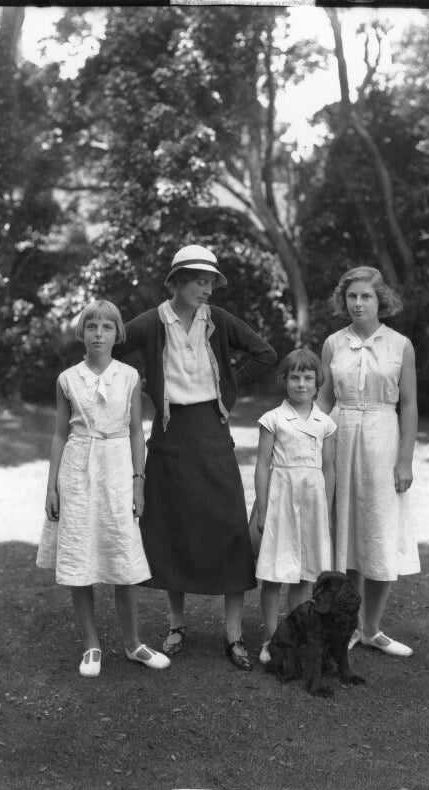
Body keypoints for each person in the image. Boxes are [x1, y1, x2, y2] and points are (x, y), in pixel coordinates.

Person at [113, 244, 276, 670]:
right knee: (172, 527)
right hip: (169, 433)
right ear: (179, 281)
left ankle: (234, 633)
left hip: (212, 430)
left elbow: (264, 353)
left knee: (228, 529)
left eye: (210, 282)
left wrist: (229, 387)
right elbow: (110, 350)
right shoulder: (151, 322)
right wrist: (148, 386)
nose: (207, 289)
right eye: (200, 281)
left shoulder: (217, 320)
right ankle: (176, 623)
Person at [36, 300, 171, 677]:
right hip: (78, 469)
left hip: (116, 469)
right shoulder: (67, 378)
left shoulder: (128, 376)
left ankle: (133, 643)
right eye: (91, 326)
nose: (98, 333)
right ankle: (91, 645)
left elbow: (134, 433)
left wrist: (138, 482)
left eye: (106, 327)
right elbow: (61, 434)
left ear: (117, 334)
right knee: (80, 555)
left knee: (122, 556)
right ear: (81, 332)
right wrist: (51, 487)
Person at [318, 266, 420, 658]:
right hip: (341, 434)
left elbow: (408, 404)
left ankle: (373, 628)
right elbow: (325, 397)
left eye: (366, 296)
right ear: (343, 301)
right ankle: (346, 627)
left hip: (382, 438)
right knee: (345, 533)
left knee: (377, 532)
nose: (358, 304)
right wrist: (313, 439)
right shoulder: (333, 343)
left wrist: (405, 460)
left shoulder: (400, 345)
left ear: (381, 300)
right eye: (352, 297)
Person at [254, 348, 337, 665]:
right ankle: (271, 640)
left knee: (305, 574)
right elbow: (262, 465)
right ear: (283, 380)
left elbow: (328, 467)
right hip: (281, 499)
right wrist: (262, 508)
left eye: (307, 377)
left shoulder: (324, 423)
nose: (301, 384)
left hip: (312, 501)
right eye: (294, 377)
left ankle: (295, 637)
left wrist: (325, 509)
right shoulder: (273, 419)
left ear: (318, 382)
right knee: (276, 572)